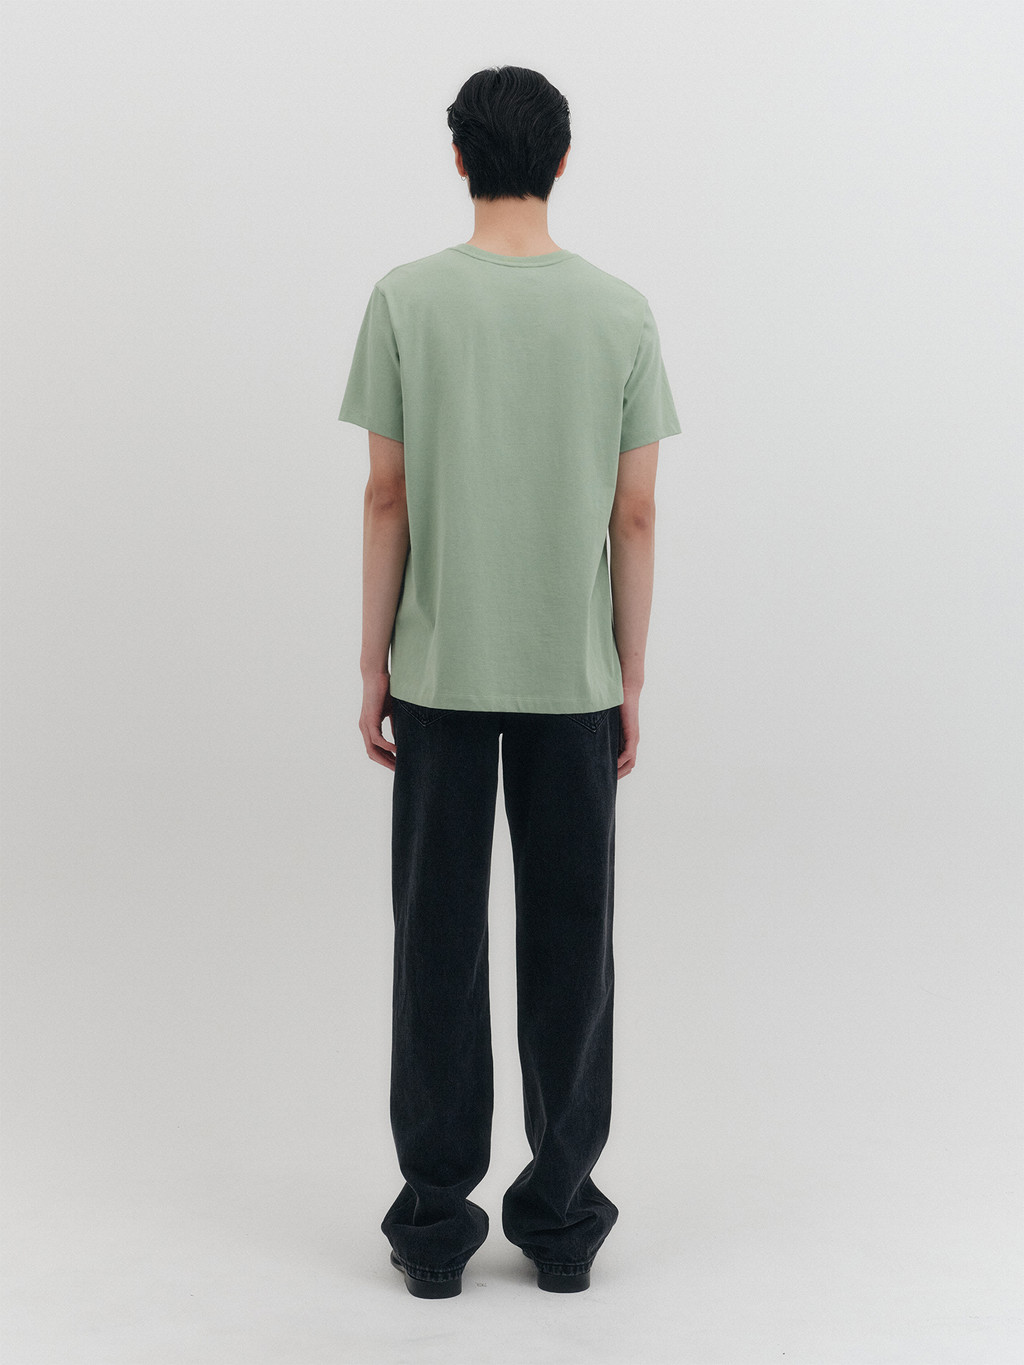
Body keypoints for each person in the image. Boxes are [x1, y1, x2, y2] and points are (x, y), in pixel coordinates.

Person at [338, 65, 681, 1299]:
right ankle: (561, 1224)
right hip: (571, 674)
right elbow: (633, 517)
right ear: (562, 160)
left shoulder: (405, 299)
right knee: (572, 945)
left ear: (458, 157)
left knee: (435, 942)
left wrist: (372, 661)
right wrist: (628, 676)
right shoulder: (620, 312)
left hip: (439, 670)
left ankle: (435, 1232)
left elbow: (386, 495)